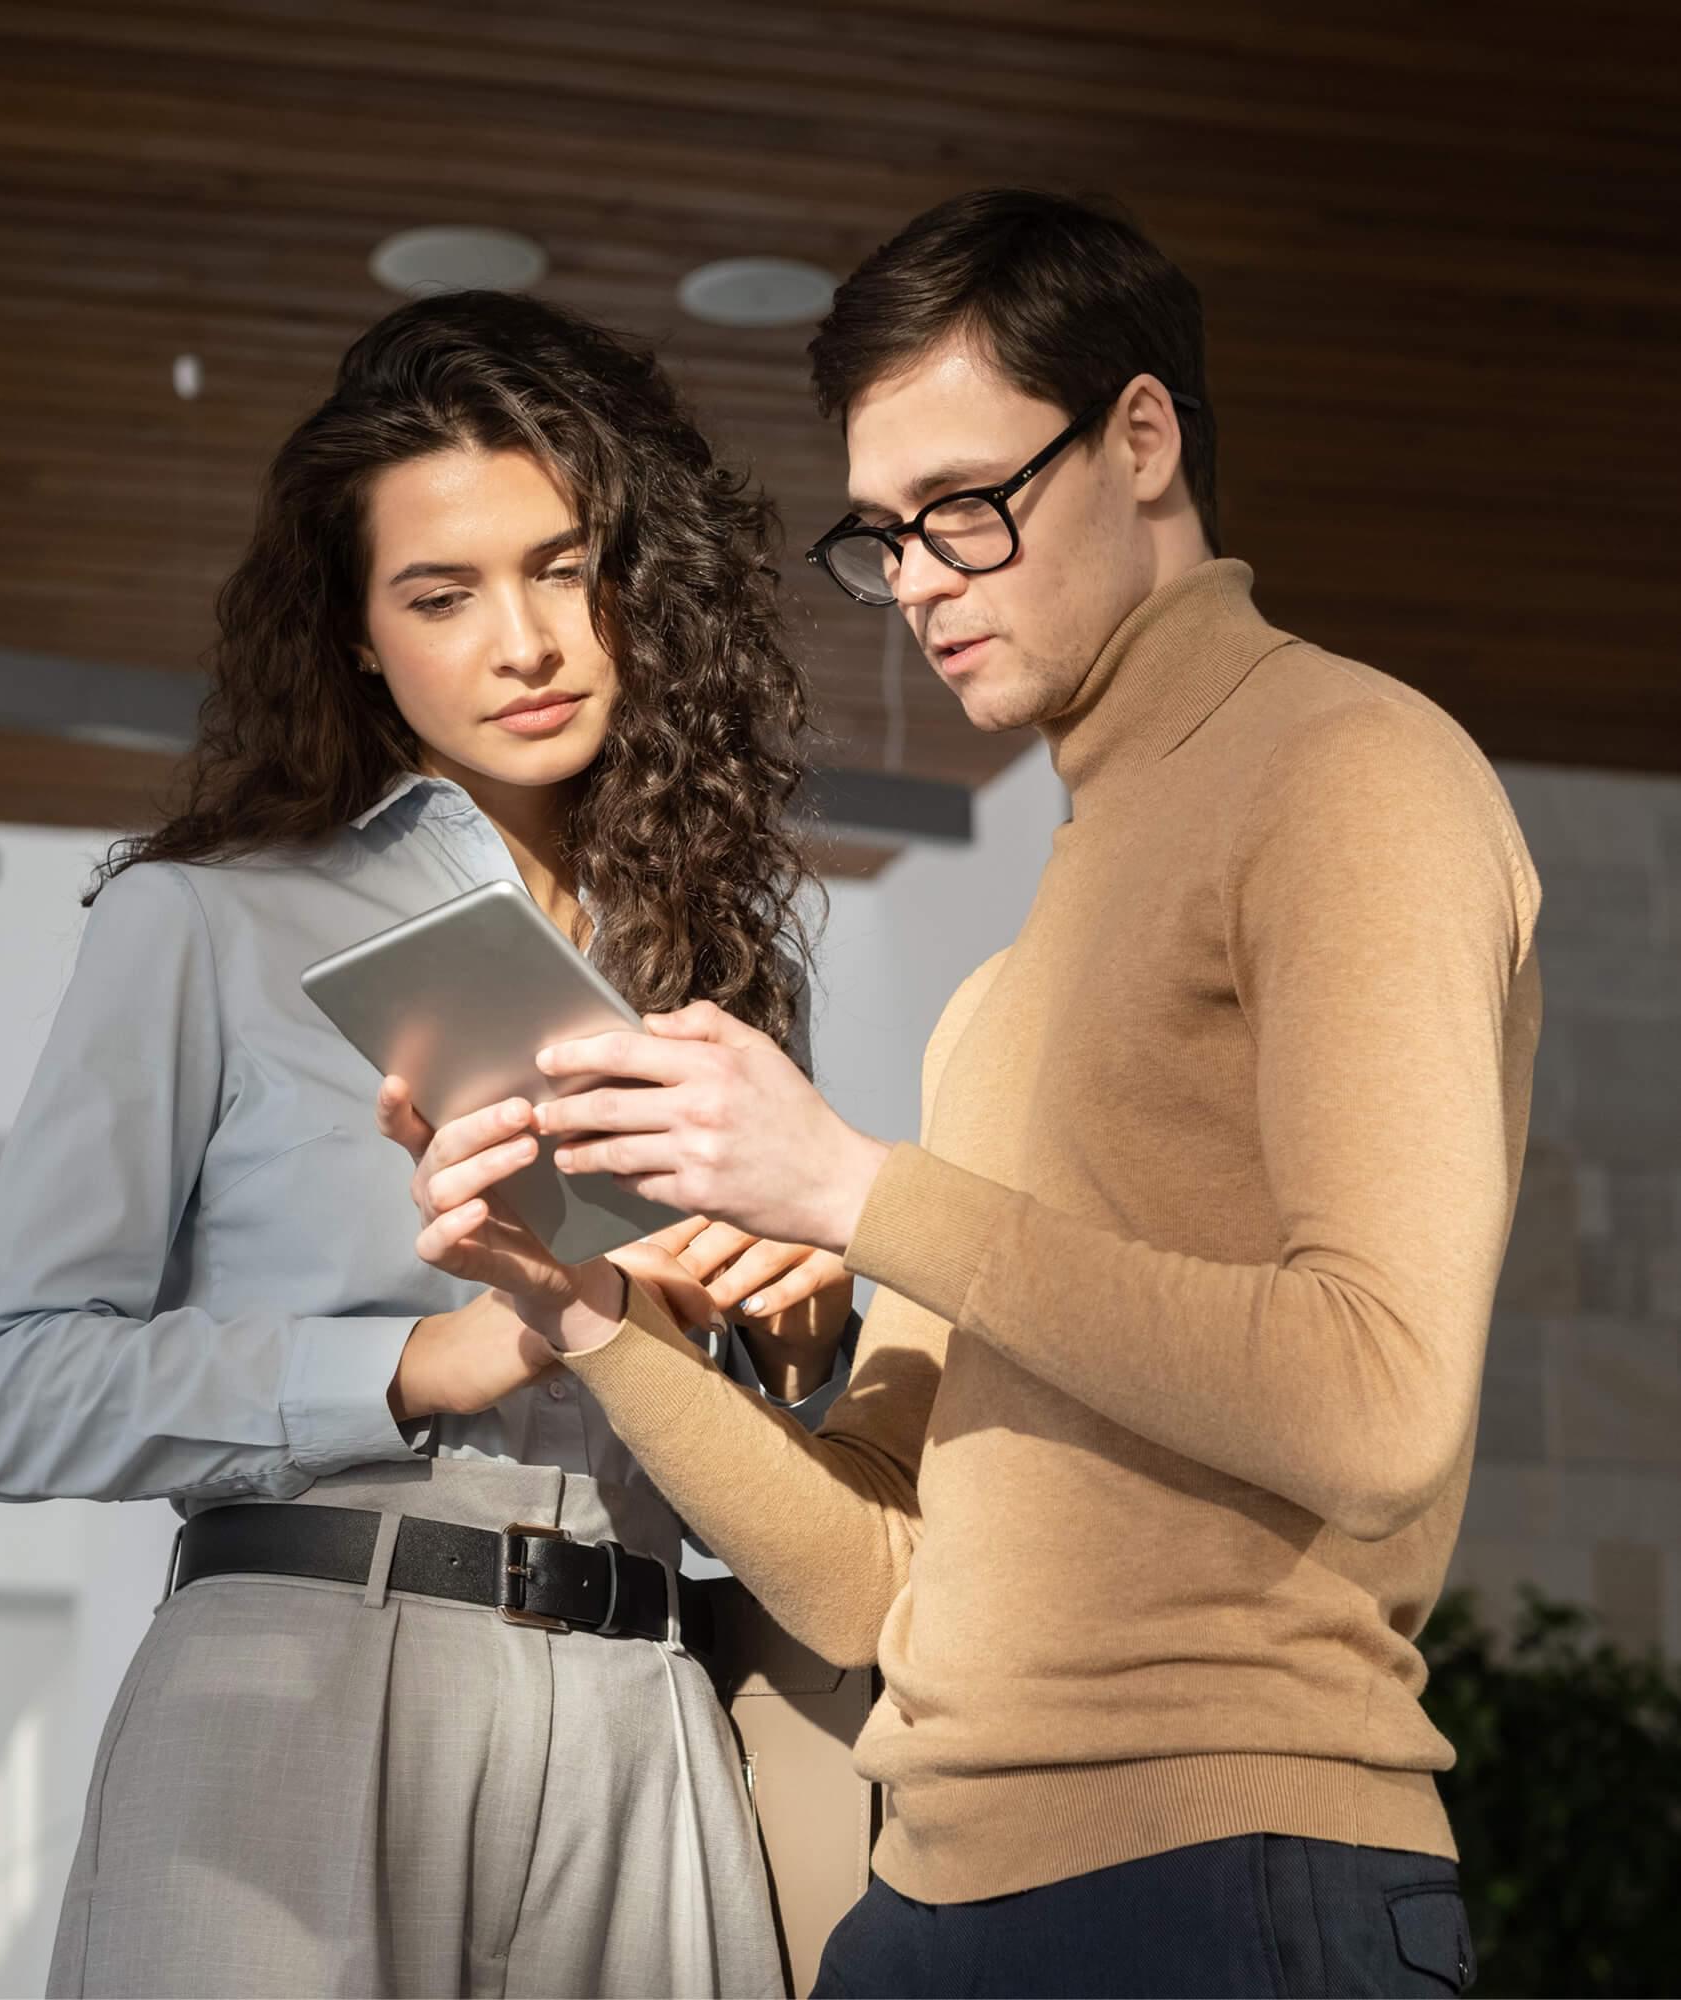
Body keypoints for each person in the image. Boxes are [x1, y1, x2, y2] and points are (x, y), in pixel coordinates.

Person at [389, 191, 1538, 1998]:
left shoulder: (1351, 773)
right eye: (883, 533)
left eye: (964, 506)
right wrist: (592, 1313)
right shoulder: (1002, 998)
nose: (919, 578)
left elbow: (1379, 1402)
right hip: (927, 1901)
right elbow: (871, 1581)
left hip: (1225, 1882)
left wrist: (857, 1194)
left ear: (1140, 440)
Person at [0, 287, 857, 2000]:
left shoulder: (722, 974)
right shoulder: (206, 922)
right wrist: (427, 1361)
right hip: (303, 1699)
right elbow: (4, 1389)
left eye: (566, 570)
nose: (527, 643)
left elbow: (774, 1473)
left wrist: (805, 1337)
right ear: (356, 634)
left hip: (647, 1725)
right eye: (442, 595)